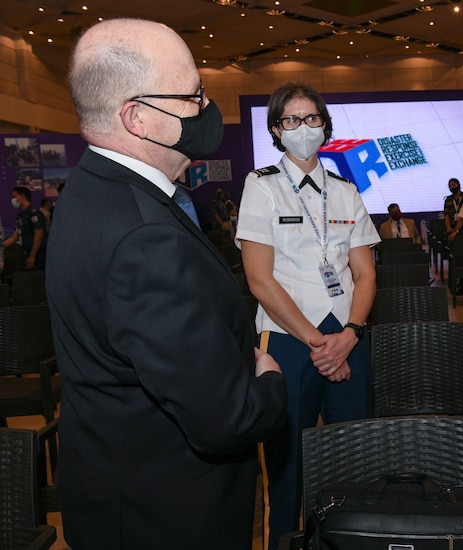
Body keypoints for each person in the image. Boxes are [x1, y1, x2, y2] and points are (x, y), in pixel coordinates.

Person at [46, 18, 288, 549]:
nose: (206, 108)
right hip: (166, 516)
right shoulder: (143, 237)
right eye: (192, 95)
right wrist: (269, 381)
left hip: (119, 486)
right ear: (136, 117)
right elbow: (226, 419)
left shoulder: (92, 187)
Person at [236, 81, 380, 546]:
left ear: (325, 125)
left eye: (312, 118)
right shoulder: (261, 187)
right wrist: (317, 343)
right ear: (277, 131)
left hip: (347, 339)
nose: (303, 128)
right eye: (291, 120)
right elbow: (259, 279)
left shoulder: (344, 190)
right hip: (286, 341)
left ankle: (346, 538)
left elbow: (365, 274)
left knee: (352, 459)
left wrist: (351, 333)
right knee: (286, 468)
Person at [4, 186, 47, 270]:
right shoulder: (20, 217)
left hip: (38, 256)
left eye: (14, 197)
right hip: (26, 254)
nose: (13, 200)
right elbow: (14, 238)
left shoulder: (34, 214)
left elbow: (39, 236)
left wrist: (32, 256)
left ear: (22, 196)